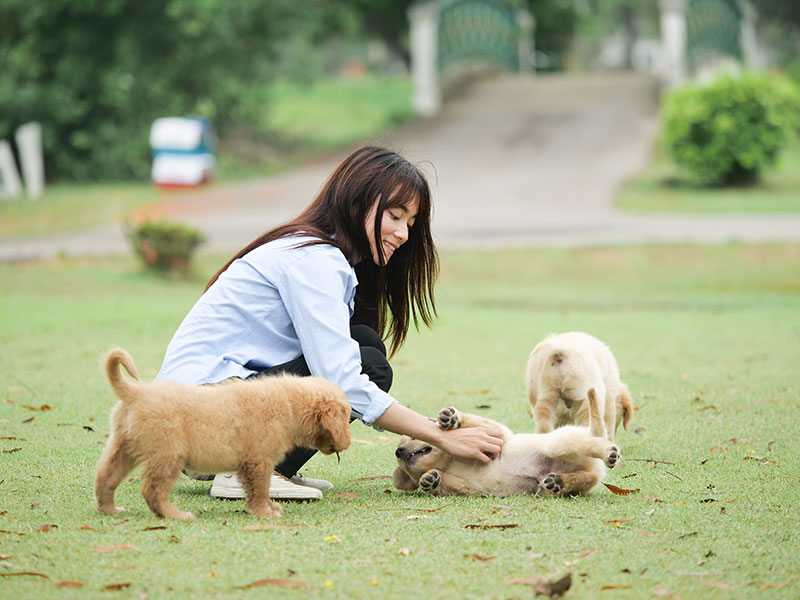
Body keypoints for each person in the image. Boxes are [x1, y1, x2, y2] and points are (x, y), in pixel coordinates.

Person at [156, 145, 504, 500]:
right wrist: (442, 436)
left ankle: (270, 468)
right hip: (198, 417)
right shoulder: (314, 261)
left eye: (411, 224)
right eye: (395, 217)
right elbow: (342, 381)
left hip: (203, 413)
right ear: (357, 204)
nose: (403, 234)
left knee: (365, 342)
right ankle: (247, 470)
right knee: (366, 364)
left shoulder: (316, 253)